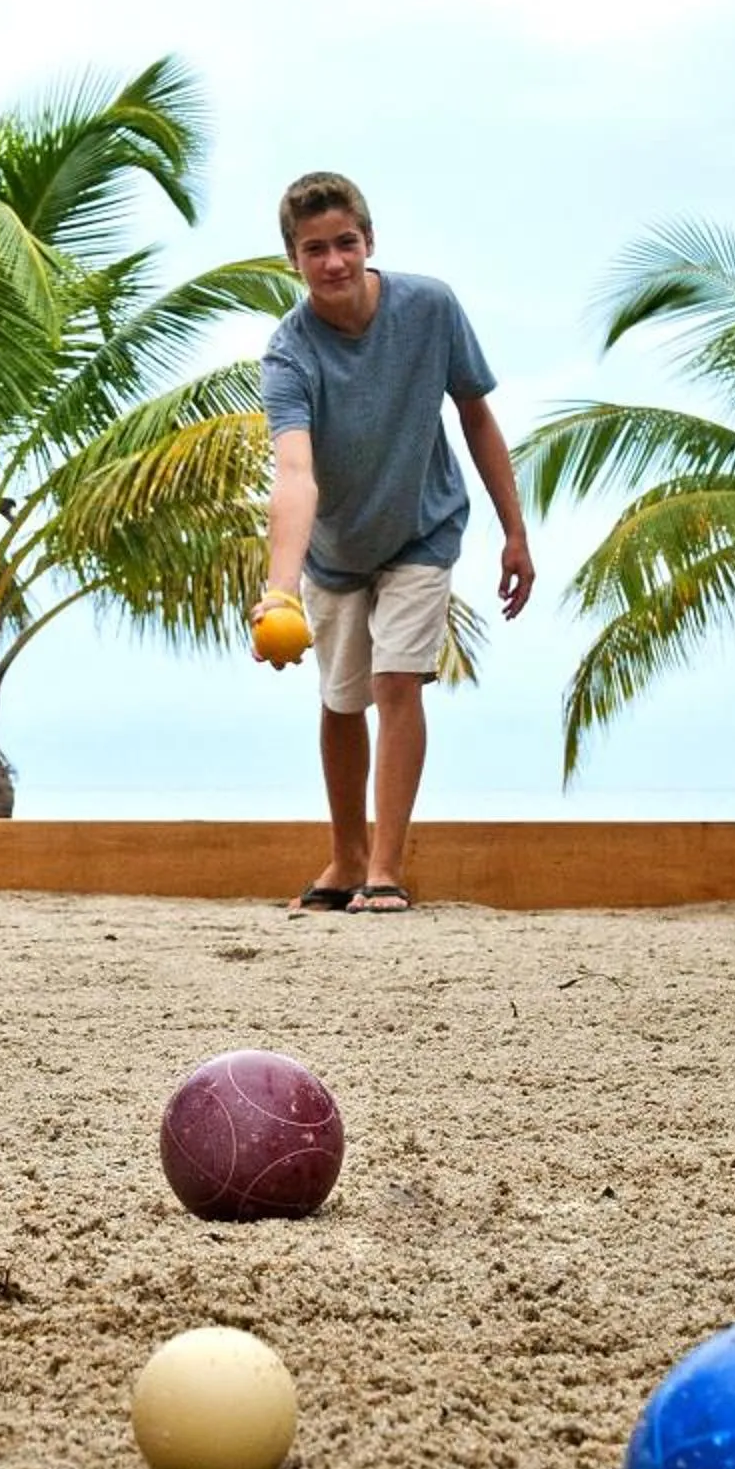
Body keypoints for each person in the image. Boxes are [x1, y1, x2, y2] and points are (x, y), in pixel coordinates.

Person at [257, 172, 534, 913]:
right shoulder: (288, 355)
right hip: (336, 548)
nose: (335, 262)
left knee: (396, 680)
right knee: (341, 701)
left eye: (346, 243)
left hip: (424, 526)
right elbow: (294, 475)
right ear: (294, 259)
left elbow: (477, 417)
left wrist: (515, 532)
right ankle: (344, 859)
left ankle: (385, 868)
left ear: (369, 241)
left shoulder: (431, 307)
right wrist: (279, 588)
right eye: (315, 249)